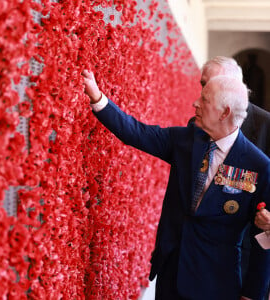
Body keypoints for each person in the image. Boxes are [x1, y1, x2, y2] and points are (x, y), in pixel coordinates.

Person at [82, 69, 270, 299]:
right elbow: (136, 133)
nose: (195, 103)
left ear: (224, 113)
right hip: (171, 274)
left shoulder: (258, 165)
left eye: (205, 100)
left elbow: (263, 238)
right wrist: (97, 97)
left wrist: (252, 295)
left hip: (216, 285)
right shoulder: (185, 140)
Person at [189, 56, 270, 295]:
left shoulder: (266, 127)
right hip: (193, 261)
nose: (205, 92)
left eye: (214, 84)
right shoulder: (196, 127)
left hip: (243, 263)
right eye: (204, 84)